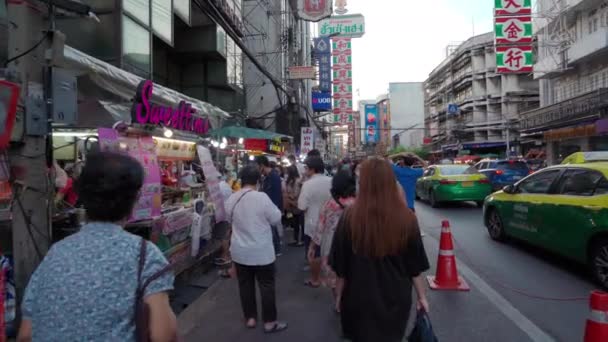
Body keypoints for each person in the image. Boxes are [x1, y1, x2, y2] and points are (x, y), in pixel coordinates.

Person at [18, 152, 176, 341]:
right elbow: (163, 335)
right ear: (135, 198)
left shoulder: (56, 252)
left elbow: (25, 334)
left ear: (83, 195)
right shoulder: (145, 255)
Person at [330, 158, 430, 342]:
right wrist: (422, 296)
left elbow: (340, 268)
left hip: (357, 299)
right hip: (396, 301)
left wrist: (338, 295)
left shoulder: (349, 217)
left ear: (363, 183)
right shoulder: (407, 218)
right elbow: (414, 266)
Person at [225, 165, 288, 333]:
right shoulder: (262, 198)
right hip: (262, 252)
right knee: (266, 286)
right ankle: (269, 322)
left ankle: (250, 318)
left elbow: (229, 221)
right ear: (258, 181)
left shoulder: (232, 199)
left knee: (245, 286)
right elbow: (276, 218)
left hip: (240, 252)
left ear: (241, 180)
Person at [308, 171, 356, 311]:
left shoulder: (329, 203)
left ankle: (338, 302)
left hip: (331, 246)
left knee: (334, 278)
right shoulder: (359, 203)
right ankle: (349, 302)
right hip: (353, 245)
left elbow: (320, 228)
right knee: (350, 277)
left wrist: (312, 246)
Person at [298, 156, 332, 288]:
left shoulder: (307, 184)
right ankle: (327, 275)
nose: (305, 170)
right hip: (330, 221)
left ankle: (315, 279)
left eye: (306, 168)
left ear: (312, 169)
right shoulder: (331, 181)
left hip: (312, 222)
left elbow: (301, 206)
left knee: (313, 251)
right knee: (327, 248)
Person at [256, 156, 284, 256]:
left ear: (262, 166)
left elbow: (276, 195)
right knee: (272, 229)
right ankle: (275, 249)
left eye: (257, 167)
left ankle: (276, 249)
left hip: (272, 207)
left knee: (273, 229)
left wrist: (272, 209)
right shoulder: (267, 177)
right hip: (269, 207)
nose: (257, 170)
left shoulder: (274, 177)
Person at [283, 165, 304, 246]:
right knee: (295, 222)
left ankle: (300, 240)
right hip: (292, 204)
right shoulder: (291, 181)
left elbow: (295, 194)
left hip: (296, 203)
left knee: (299, 222)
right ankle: (297, 239)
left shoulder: (297, 181)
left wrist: (288, 196)